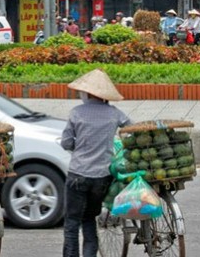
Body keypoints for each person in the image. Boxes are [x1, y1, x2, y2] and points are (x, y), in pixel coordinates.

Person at [61, 69, 131, 257]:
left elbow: (66, 142)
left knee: (72, 223)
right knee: (89, 218)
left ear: (88, 93)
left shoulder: (76, 113)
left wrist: (80, 144)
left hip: (78, 175)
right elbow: (131, 129)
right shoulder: (115, 114)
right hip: (102, 177)